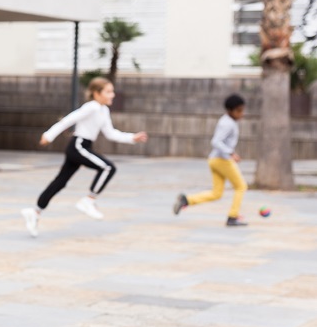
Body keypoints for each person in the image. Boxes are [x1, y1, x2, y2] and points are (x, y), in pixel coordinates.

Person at [21, 77, 147, 237]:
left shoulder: (103, 110)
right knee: (108, 167)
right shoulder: (92, 107)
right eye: (108, 92)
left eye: (112, 91)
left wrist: (132, 138)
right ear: (96, 93)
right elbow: (68, 120)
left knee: (60, 182)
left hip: (82, 147)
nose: (112, 95)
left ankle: (35, 212)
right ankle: (88, 200)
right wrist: (49, 135)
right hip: (78, 146)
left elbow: (110, 133)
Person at [173, 94, 248, 227]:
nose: (241, 114)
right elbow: (216, 141)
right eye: (239, 111)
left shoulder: (226, 120)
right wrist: (231, 153)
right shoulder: (228, 124)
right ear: (230, 110)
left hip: (215, 159)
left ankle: (186, 200)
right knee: (241, 186)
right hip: (222, 160)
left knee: (216, 193)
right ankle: (232, 216)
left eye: (242, 110)